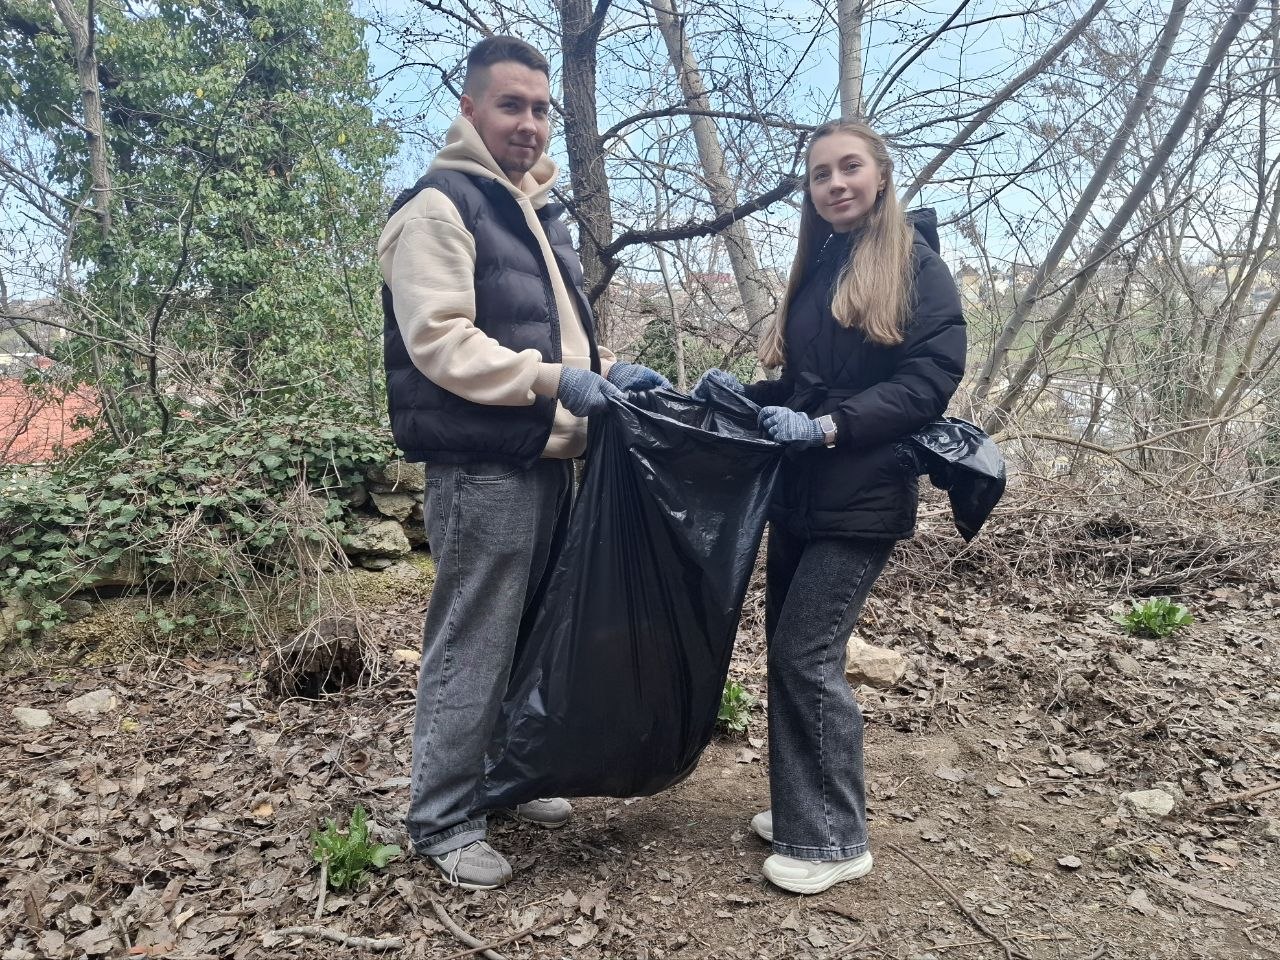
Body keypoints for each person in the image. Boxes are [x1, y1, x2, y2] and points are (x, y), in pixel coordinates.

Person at [379, 35, 668, 890]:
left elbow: (556, 337)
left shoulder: (532, 211)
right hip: (482, 467)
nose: (531, 123)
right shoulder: (439, 206)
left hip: (545, 461)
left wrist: (611, 371)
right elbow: (441, 344)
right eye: (512, 105)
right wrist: (558, 380)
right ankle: (442, 817)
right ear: (469, 109)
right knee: (472, 641)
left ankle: (498, 777)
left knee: (525, 632)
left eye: (541, 109)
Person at [692, 120, 965, 894]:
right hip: (802, 494)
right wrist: (743, 399)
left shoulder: (917, 267)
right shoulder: (818, 269)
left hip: (862, 496)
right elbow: (805, 386)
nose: (836, 183)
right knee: (787, 648)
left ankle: (835, 838)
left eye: (850, 168)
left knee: (805, 654)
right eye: (820, 174)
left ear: (880, 174)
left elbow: (926, 382)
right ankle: (801, 806)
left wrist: (829, 427)